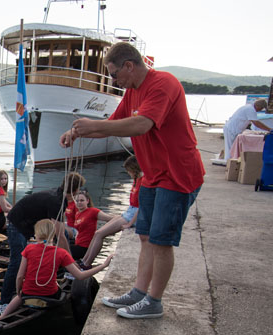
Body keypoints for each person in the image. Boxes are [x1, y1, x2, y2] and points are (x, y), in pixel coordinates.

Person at [60, 41, 205, 319]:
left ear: (129, 65)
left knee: (161, 241)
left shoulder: (163, 83)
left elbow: (142, 124)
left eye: (114, 74)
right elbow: (113, 125)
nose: (114, 81)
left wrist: (93, 125)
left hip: (177, 175)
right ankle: (139, 292)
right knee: (146, 236)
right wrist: (77, 132)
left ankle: (154, 301)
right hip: (152, 176)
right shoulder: (132, 93)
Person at [0, 172, 84, 306]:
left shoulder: (60, 196)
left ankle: (61, 272)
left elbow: (60, 231)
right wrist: (71, 262)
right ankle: (4, 301)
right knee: (17, 262)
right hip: (17, 224)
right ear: (74, 191)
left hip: (28, 223)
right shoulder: (56, 201)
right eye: (79, 190)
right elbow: (60, 236)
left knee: (65, 234)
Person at [0, 219, 112, 318]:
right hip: (49, 294)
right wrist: (103, 265)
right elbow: (80, 276)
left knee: (19, 296)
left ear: (36, 234)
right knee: (57, 286)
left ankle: (2, 317)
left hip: (28, 292)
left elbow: (20, 276)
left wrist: (19, 291)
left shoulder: (28, 249)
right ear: (53, 235)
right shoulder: (61, 253)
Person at [79, 155, 143, 267]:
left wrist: (130, 224)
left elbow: (142, 207)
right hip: (129, 211)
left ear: (134, 169)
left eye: (128, 170)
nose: (128, 173)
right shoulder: (136, 180)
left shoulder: (143, 182)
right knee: (97, 233)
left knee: (100, 234)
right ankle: (84, 260)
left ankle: (87, 264)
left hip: (133, 213)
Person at [69, 190, 117, 261]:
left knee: (61, 249)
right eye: (77, 201)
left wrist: (122, 220)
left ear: (87, 201)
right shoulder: (78, 213)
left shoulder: (93, 211)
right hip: (78, 243)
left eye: (82, 200)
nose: (79, 202)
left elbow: (109, 218)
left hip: (85, 247)